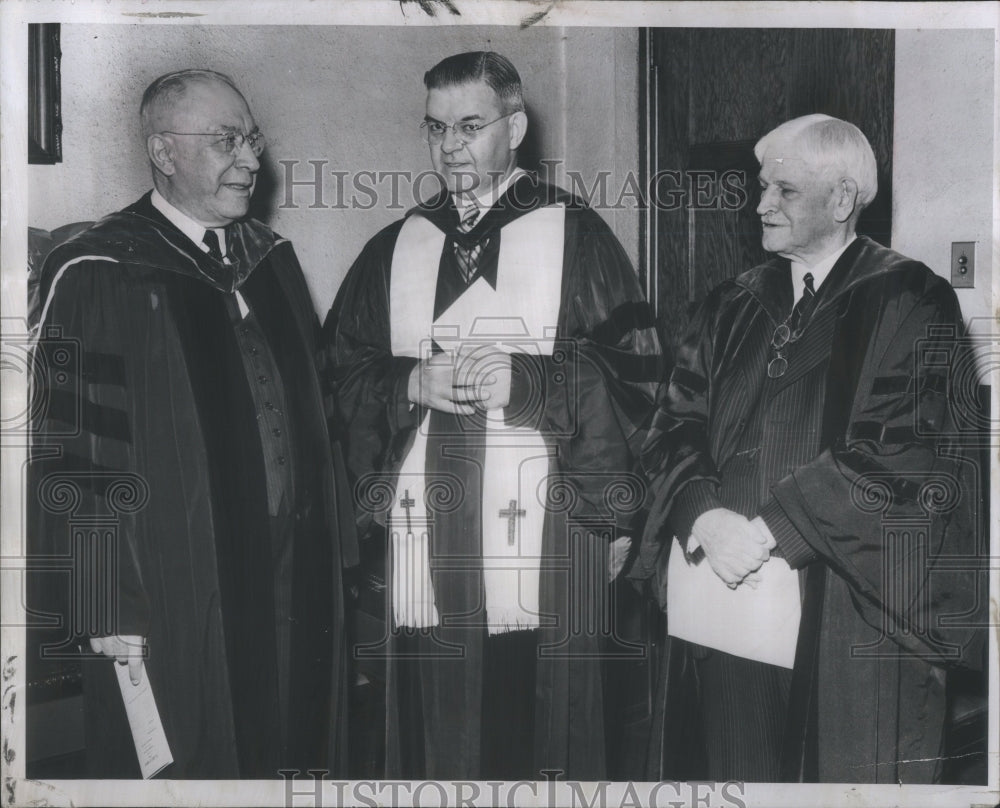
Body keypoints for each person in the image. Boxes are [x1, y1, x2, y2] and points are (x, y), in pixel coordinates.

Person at [325, 51, 661, 780]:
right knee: (434, 724)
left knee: (544, 725)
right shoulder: (398, 245)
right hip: (430, 524)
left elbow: (635, 376)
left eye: (470, 125)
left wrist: (533, 381)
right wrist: (407, 380)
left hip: (554, 519)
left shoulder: (578, 235)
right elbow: (338, 372)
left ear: (514, 126)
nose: (450, 146)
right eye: (436, 128)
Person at [634, 114, 985, 782]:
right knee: (734, 770)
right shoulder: (730, 304)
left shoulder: (911, 298)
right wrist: (705, 516)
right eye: (762, 186)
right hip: (725, 603)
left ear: (843, 199)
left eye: (785, 191)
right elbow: (672, 424)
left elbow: (907, 450)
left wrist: (768, 532)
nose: (761, 204)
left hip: (847, 612)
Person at [28, 69, 354, 778]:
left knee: (294, 748)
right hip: (176, 584)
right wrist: (99, 598)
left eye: (252, 139)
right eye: (224, 141)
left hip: (293, 572)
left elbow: (320, 418)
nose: (250, 159)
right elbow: (68, 445)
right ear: (164, 152)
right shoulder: (96, 270)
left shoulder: (269, 260)